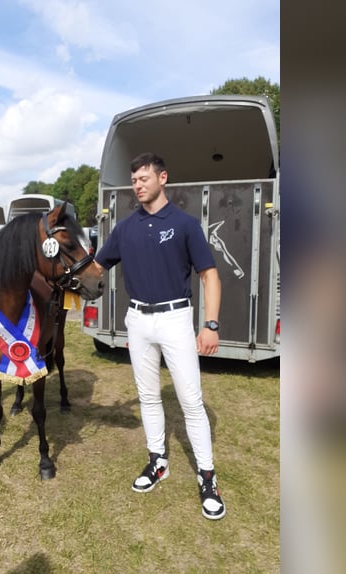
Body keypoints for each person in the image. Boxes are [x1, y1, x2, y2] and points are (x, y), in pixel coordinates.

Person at [94, 152, 225, 520]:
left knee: (190, 401)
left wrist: (210, 324)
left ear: (162, 178)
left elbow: (209, 276)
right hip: (138, 320)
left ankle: (208, 476)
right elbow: (95, 267)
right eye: (134, 180)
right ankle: (158, 461)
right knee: (148, 397)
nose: (137, 185)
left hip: (175, 318)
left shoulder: (184, 224)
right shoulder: (124, 228)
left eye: (144, 178)